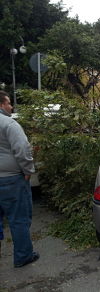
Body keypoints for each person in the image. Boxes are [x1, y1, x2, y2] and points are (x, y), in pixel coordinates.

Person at [0, 90, 39, 267]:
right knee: (19, 220)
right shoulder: (9, 124)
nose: (11, 106)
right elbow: (22, 150)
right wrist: (28, 170)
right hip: (11, 180)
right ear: (1, 104)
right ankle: (23, 256)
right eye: (8, 103)